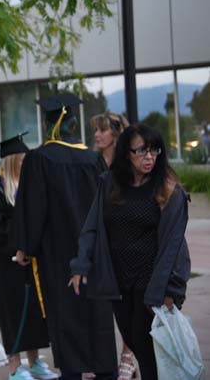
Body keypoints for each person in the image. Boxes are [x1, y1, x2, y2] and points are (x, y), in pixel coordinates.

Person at [70, 124, 191, 380]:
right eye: (141, 151)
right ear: (127, 152)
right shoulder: (110, 184)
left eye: (154, 151)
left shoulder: (168, 190)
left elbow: (174, 247)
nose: (149, 157)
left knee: (143, 341)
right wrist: (81, 265)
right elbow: (91, 227)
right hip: (118, 278)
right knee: (134, 340)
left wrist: (171, 290)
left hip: (150, 280)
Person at [12, 93, 117, 380]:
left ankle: (71, 372)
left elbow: (34, 209)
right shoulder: (93, 159)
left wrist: (24, 247)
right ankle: (106, 370)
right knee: (97, 310)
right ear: (71, 123)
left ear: (50, 124)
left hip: (57, 253)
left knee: (65, 310)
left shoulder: (39, 159)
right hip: (93, 252)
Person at [0, 134, 57, 380]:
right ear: (12, 161)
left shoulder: (26, 190)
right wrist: (19, 243)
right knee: (13, 318)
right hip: (6, 270)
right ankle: (15, 369)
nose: (27, 165)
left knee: (33, 317)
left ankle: (34, 364)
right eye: (23, 161)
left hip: (29, 266)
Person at [91, 111, 137, 379]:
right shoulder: (93, 164)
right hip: (101, 244)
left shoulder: (126, 167)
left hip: (128, 243)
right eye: (96, 130)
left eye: (103, 130)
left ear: (116, 134)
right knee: (105, 307)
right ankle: (102, 358)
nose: (97, 135)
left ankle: (128, 357)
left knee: (130, 305)